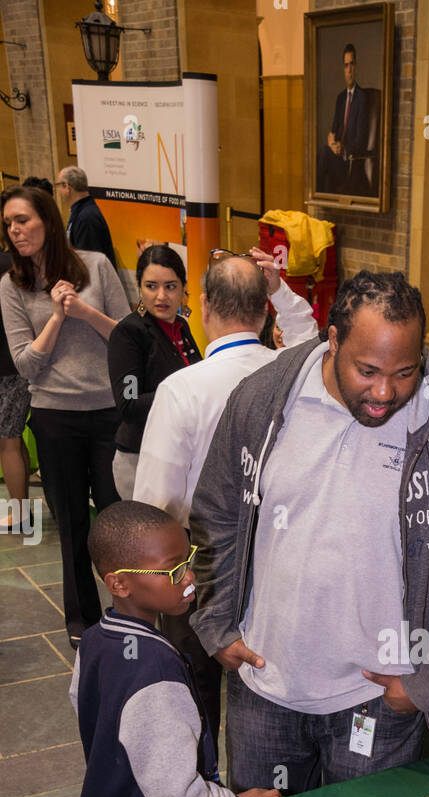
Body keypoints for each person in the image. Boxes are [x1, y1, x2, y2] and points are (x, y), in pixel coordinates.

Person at [188, 268, 429, 795]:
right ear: (333, 339)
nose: (385, 392)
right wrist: (216, 623)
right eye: (367, 370)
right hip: (263, 686)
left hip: (380, 702)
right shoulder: (263, 400)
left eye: (405, 372)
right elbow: (215, 513)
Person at [132, 252, 317, 741]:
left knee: (194, 693)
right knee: (266, 685)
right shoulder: (292, 374)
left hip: (202, 562)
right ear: (263, 311)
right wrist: (282, 293)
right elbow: (311, 342)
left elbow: (157, 502)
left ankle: (202, 786)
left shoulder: (181, 389)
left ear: (205, 307)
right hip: (280, 557)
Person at [69, 501, 282, 797]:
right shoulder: (155, 668)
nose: (189, 578)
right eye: (173, 571)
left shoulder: (94, 639)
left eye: (189, 560)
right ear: (119, 583)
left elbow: (88, 709)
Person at [0, 184, 129, 647]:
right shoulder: (11, 286)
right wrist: (55, 317)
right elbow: (25, 364)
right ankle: (83, 621)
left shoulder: (94, 265)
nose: (15, 230)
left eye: (23, 220)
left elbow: (126, 338)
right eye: (9, 224)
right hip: (54, 417)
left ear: (48, 221)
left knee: (118, 521)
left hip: (108, 412)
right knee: (72, 522)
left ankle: (129, 614)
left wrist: (84, 311)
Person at [108, 244, 203, 502]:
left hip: (178, 454)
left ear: (183, 287)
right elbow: (129, 404)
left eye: (170, 286)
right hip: (140, 459)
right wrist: (181, 391)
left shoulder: (181, 326)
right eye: (151, 286)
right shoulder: (128, 333)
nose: (161, 296)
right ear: (139, 287)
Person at [0, 246, 32, 531]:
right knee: (13, 437)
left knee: (7, 441)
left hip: (9, 367)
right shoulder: (15, 262)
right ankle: (20, 509)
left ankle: (20, 514)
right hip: (19, 362)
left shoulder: (7, 265)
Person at [317, 44, 370, 196]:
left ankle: (319, 202)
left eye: (352, 64)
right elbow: (333, 130)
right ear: (343, 69)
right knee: (324, 153)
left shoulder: (362, 99)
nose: (349, 70)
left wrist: (344, 148)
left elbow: (361, 140)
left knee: (324, 155)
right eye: (346, 65)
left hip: (351, 163)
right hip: (337, 158)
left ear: (356, 66)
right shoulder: (340, 98)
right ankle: (321, 200)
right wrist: (331, 141)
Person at [55, 167, 117, 268]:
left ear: (67, 187)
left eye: (58, 186)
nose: (58, 191)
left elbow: (89, 263)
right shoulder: (81, 212)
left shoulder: (86, 218)